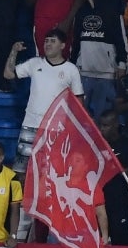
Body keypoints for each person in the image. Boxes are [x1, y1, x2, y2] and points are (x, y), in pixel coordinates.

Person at [5, 31, 84, 163]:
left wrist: (72, 127)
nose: (48, 44)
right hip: (30, 124)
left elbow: (79, 102)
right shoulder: (35, 63)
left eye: (53, 41)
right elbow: (8, 74)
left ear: (63, 45)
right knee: (23, 167)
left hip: (56, 128)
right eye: (46, 41)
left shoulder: (71, 69)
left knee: (51, 169)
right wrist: (14, 51)